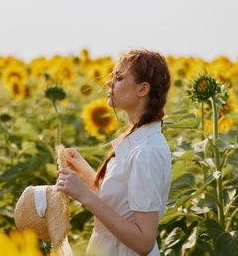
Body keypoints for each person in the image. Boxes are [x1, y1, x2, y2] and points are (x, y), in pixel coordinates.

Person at [56, 49, 172, 255]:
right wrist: (86, 175)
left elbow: (144, 241)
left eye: (119, 77)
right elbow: (121, 208)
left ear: (143, 88)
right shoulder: (136, 140)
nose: (109, 83)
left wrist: (85, 196)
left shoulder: (145, 152)